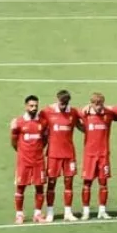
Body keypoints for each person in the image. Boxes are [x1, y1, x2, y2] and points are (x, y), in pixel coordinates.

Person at [41, 89, 81, 222]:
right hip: (53, 154)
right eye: (61, 103)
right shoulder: (47, 111)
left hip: (69, 154)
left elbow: (81, 125)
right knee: (51, 183)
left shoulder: (74, 112)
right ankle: (50, 212)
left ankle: (68, 212)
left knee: (69, 183)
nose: (63, 105)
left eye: (66, 103)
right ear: (57, 100)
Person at [79, 93, 117, 220]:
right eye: (95, 103)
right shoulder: (85, 114)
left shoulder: (108, 114)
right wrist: (82, 125)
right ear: (91, 103)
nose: (98, 106)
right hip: (89, 155)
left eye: (100, 103)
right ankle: (86, 211)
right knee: (87, 183)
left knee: (103, 183)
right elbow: (72, 115)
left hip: (103, 154)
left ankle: (102, 210)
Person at [10, 95, 49, 224]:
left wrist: (37, 151)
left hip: (38, 161)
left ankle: (37, 214)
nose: (34, 108)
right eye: (31, 106)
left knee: (39, 187)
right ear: (26, 106)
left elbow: (44, 140)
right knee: (20, 187)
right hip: (24, 161)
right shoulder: (19, 122)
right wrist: (22, 151)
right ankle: (19, 214)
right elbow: (14, 142)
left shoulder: (42, 122)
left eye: (36, 106)